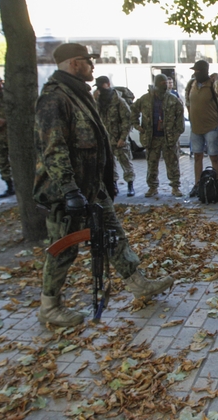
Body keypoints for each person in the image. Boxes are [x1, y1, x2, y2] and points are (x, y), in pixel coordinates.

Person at [34, 43, 173, 327]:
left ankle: (137, 283)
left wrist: (104, 182)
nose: (93, 66)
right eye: (88, 61)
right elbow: (53, 148)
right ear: (74, 63)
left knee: (113, 236)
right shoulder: (54, 98)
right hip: (67, 192)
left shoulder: (78, 94)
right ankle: (49, 306)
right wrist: (69, 189)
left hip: (91, 187)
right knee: (64, 248)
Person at [130, 74, 185, 198]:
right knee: (152, 163)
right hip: (151, 137)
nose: (165, 87)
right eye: (162, 84)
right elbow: (133, 110)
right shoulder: (145, 99)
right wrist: (137, 125)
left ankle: (175, 187)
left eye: (166, 84)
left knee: (172, 163)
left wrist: (177, 132)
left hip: (169, 138)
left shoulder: (172, 99)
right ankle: (152, 187)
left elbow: (180, 116)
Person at [185, 60, 218, 197]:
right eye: (194, 71)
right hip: (196, 128)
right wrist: (191, 115)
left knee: (213, 156)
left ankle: (217, 185)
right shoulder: (192, 84)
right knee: (197, 156)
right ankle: (197, 185)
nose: (195, 73)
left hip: (211, 127)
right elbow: (188, 101)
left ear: (205, 71)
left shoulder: (213, 84)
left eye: (198, 71)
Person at [93, 76, 136, 197]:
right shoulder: (99, 101)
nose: (100, 90)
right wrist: (94, 100)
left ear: (107, 84)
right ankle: (114, 185)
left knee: (126, 163)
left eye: (102, 86)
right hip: (105, 140)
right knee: (109, 165)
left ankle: (130, 185)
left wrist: (123, 138)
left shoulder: (119, 101)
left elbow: (127, 121)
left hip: (119, 139)